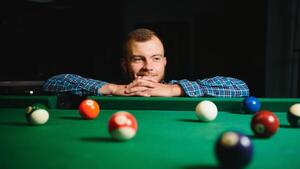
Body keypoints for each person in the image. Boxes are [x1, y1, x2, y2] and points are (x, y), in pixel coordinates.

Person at [43, 28, 249, 97]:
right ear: (124, 65)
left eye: (155, 58)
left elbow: (240, 87)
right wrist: (113, 89)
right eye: (138, 59)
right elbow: (52, 83)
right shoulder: (112, 91)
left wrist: (172, 90)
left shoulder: (177, 89)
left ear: (165, 62)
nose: (148, 67)